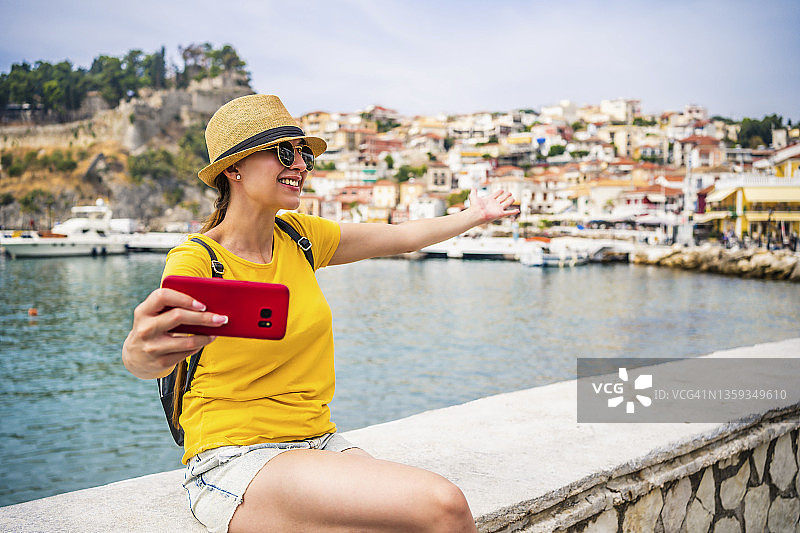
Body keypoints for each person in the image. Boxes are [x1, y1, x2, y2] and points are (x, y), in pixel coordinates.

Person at [122, 94, 519, 533]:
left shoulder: (301, 236)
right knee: (443, 506)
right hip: (234, 455)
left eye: (304, 155)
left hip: (319, 441)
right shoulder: (196, 259)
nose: (300, 166)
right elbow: (149, 356)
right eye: (284, 153)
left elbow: (402, 236)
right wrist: (141, 350)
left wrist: (476, 214)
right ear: (233, 169)